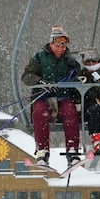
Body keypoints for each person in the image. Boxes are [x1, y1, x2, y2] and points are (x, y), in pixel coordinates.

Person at [22, 26, 81, 166]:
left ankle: (72, 150)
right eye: (57, 46)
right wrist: (41, 82)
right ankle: (42, 150)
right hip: (43, 97)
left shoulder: (69, 60)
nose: (60, 49)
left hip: (62, 97)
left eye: (63, 46)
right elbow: (27, 76)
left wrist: (73, 81)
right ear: (51, 44)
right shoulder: (39, 57)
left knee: (70, 112)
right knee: (39, 113)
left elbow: (79, 75)